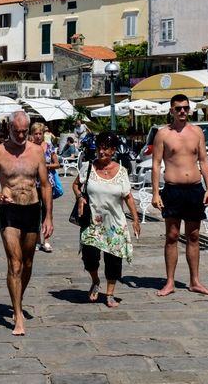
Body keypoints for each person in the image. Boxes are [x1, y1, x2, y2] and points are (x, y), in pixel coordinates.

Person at [0, 111, 53, 336]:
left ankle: (17, 299)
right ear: (9, 128)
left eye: (24, 131)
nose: (21, 136)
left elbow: (45, 185)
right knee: (15, 263)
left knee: (28, 262)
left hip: (32, 210)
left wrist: (48, 216)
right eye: (16, 131)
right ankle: (18, 315)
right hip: (10, 211)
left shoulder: (37, 152)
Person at [150, 93, 208, 296]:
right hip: (173, 189)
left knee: (194, 236)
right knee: (172, 236)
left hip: (195, 189)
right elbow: (156, 164)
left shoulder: (197, 132)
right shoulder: (163, 134)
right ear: (171, 110)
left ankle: (195, 281)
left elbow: (204, 161)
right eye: (178, 108)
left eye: (185, 107)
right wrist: (155, 193)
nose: (182, 111)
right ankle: (169, 282)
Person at [74, 131, 141, 307]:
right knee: (90, 257)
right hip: (92, 223)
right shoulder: (88, 167)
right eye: (99, 149)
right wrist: (80, 197)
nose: (101, 152)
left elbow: (128, 197)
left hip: (114, 223)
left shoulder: (121, 171)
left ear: (113, 150)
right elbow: (76, 184)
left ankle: (110, 293)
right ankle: (95, 281)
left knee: (113, 260)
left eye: (106, 149)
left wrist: (135, 219)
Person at [30, 122, 60, 253]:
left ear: (43, 134)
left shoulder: (49, 146)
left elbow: (57, 164)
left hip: (48, 183)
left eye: (40, 133)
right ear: (32, 134)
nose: (37, 136)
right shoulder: (29, 148)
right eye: (35, 133)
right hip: (32, 183)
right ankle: (37, 241)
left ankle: (46, 241)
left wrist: (45, 166)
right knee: (34, 213)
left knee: (48, 212)